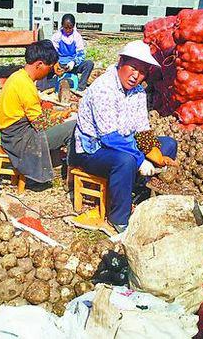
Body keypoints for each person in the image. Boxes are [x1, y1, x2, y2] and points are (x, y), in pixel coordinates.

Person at [69, 40, 178, 233]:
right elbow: (109, 138)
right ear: (121, 62)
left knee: (168, 145)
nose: (136, 76)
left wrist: (153, 153)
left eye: (143, 71)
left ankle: (137, 192)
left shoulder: (137, 92)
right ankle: (119, 218)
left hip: (124, 144)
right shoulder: (104, 88)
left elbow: (142, 129)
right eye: (133, 68)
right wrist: (141, 160)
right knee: (126, 161)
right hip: (93, 150)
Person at [0, 40, 75, 186]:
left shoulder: (17, 76)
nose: (50, 71)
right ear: (39, 64)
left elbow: (35, 115)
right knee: (73, 128)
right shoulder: (25, 85)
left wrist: (59, 114)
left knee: (62, 121)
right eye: (49, 67)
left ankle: (56, 162)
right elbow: (40, 124)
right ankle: (71, 179)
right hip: (20, 141)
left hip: (9, 136)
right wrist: (61, 117)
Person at [38, 14, 94, 92]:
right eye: (65, 28)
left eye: (70, 28)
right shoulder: (57, 36)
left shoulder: (77, 37)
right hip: (59, 64)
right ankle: (43, 86)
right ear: (62, 26)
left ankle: (80, 88)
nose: (67, 30)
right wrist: (55, 64)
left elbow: (81, 54)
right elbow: (52, 53)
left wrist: (73, 62)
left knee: (89, 64)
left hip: (72, 66)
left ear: (73, 26)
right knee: (44, 63)